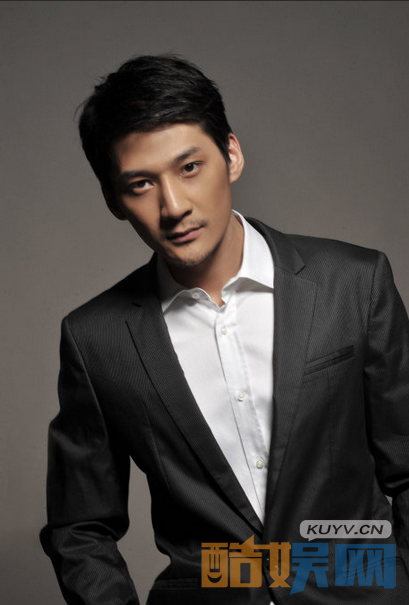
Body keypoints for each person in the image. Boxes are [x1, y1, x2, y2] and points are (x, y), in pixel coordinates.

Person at [40, 54, 409, 604]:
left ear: (231, 155)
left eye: (190, 167)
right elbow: (79, 528)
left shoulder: (353, 283)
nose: (174, 206)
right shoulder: (97, 339)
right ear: (114, 200)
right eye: (140, 184)